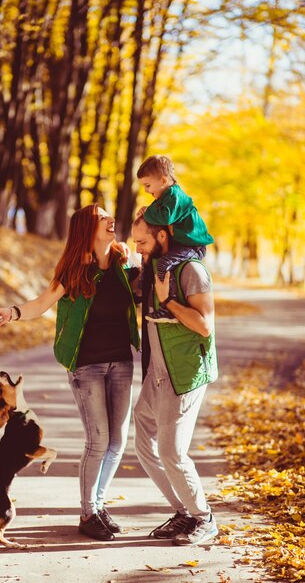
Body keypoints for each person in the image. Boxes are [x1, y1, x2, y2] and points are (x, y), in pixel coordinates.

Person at [0, 204, 140, 541]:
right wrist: (12, 312)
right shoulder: (74, 272)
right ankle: (88, 513)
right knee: (98, 439)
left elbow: (151, 267)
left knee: (117, 441)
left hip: (121, 362)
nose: (109, 219)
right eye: (101, 217)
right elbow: (40, 304)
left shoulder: (123, 263)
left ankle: (98, 506)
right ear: (86, 228)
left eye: (108, 215)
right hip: (86, 365)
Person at [131, 214, 219, 546]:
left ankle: (203, 518)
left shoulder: (191, 272)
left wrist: (168, 301)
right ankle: (184, 511)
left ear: (164, 237)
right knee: (144, 443)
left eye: (142, 242)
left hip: (184, 373)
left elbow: (204, 325)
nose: (137, 248)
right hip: (158, 373)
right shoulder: (156, 270)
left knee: (172, 451)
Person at [136, 154, 213, 323]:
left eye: (148, 185)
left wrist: (148, 212)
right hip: (182, 243)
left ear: (163, 180)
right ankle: (141, 290)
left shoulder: (174, 195)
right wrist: (147, 210)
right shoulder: (165, 196)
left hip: (193, 246)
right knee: (149, 255)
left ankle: (168, 308)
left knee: (164, 264)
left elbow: (166, 217)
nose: (146, 191)